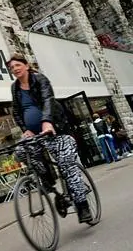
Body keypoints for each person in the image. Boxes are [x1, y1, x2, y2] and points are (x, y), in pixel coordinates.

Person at [8, 53, 92, 223]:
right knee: (20, 152)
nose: (15, 69)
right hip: (35, 135)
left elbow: (48, 100)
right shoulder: (15, 87)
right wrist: (25, 130)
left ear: (26, 65)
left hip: (56, 130)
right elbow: (16, 111)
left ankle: (82, 206)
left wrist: (47, 122)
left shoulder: (40, 79)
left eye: (17, 65)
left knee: (67, 165)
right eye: (11, 68)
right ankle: (49, 183)